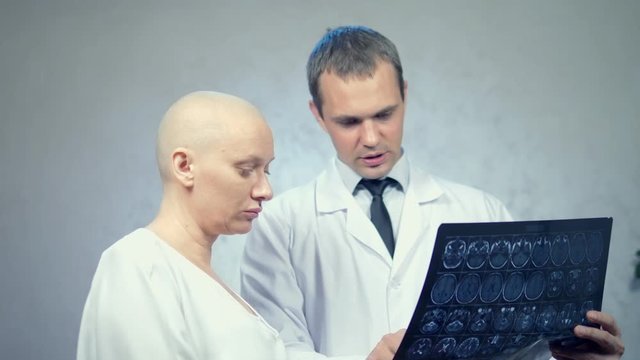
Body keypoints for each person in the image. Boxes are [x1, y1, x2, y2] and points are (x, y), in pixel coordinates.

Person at [239, 26, 625, 360]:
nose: (371, 138)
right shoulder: (278, 225)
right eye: (349, 121)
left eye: (384, 114)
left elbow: (523, 350)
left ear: (405, 94)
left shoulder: (481, 211)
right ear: (317, 115)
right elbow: (272, 352)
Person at [77, 91, 287, 359]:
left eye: (265, 170)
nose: (265, 190)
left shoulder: (197, 277)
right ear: (185, 166)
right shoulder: (137, 267)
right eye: (246, 170)